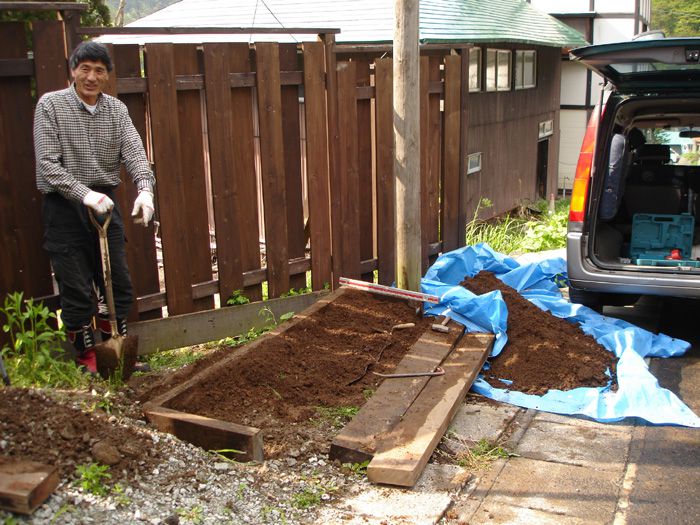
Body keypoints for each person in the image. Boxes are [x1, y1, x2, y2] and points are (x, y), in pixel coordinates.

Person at [33, 41, 155, 374]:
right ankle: (88, 359)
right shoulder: (51, 106)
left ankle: (115, 352)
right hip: (65, 206)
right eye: (84, 68)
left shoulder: (116, 110)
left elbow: (134, 154)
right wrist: (84, 193)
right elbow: (47, 165)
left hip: (105, 204)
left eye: (99, 71)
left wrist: (145, 191)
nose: (91, 76)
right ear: (73, 71)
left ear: (106, 76)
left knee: (117, 283)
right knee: (75, 288)